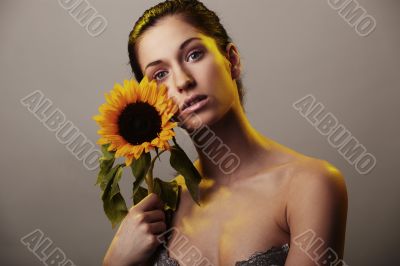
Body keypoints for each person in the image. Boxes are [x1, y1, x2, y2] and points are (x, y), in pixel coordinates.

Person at [103, 0, 348, 265]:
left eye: (194, 55)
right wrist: (115, 260)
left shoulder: (310, 186)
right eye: (160, 74)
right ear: (148, 98)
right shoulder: (164, 204)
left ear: (232, 60)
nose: (183, 81)